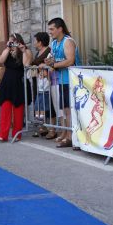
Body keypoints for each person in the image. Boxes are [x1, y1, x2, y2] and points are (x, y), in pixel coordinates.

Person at [43, 18, 81, 148]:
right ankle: (65, 132)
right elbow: (54, 60)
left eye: (52, 29)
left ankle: (70, 136)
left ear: (60, 29)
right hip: (61, 79)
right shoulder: (54, 43)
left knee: (69, 110)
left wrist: (54, 64)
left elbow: (70, 60)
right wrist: (50, 62)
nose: (50, 32)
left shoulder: (68, 41)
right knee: (64, 109)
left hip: (71, 80)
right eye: (49, 30)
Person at [0, 33, 33, 142]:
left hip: (19, 82)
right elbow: (1, 60)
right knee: (5, 109)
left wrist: (22, 51)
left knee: (18, 110)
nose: (12, 44)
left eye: (14, 41)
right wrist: (8, 48)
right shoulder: (7, 51)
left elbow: (26, 64)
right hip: (7, 83)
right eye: (10, 41)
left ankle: (17, 134)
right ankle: (3, 134)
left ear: (19, 41)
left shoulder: (26, 51)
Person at [30, 32, 57, 138]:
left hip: (48, 82)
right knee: (41, 105)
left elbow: (50, 65)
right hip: (39, 82)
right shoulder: (38, 53)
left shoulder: (49, 51)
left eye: (35, 40)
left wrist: (43, 68)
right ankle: (43, 127)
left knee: (50, 106)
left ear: (40, 42)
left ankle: (52, 129)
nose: (34, 43)